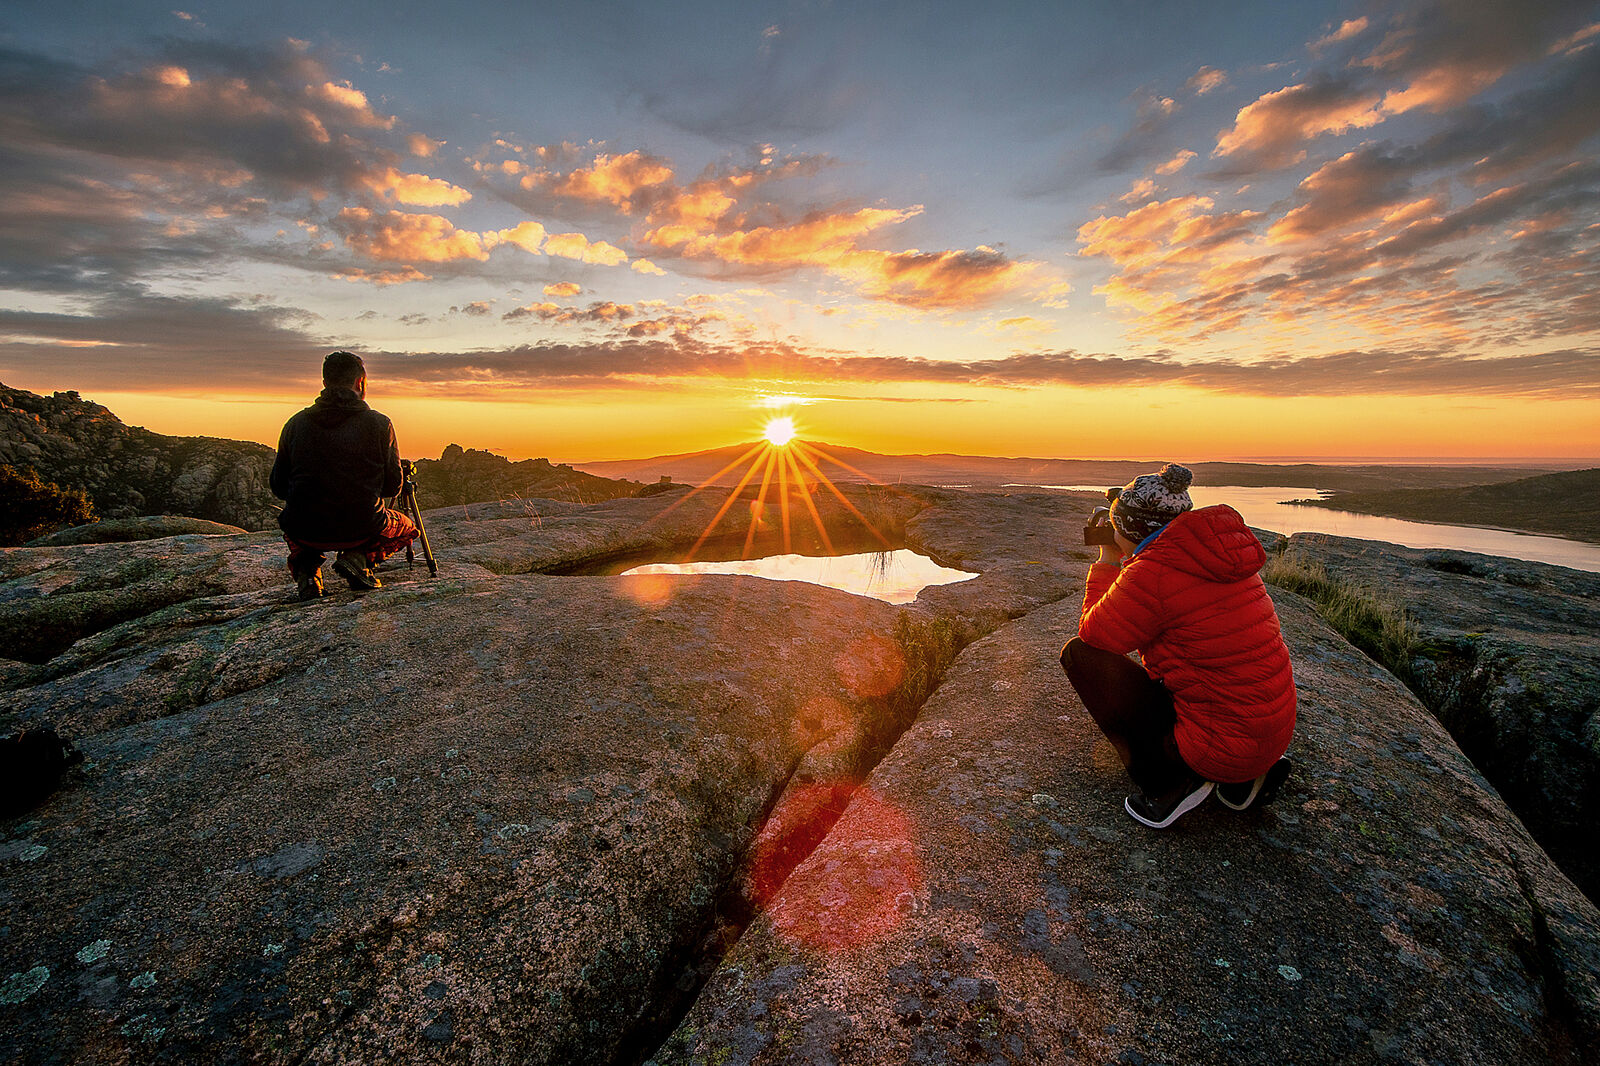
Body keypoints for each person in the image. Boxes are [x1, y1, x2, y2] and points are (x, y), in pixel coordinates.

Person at [1060, 463, 1295, 829]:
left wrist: (1108, 561)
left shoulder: (1153, 572)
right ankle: (1246, 778)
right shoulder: (1217, 556)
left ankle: (1173, 779)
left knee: (1079, 655)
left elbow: (1096, 636)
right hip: (1268, 737)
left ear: (1131, 530)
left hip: (1217, 747)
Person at [271, 351, 417, 600]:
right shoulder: (380, 424)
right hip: (361, 527)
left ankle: (308, 572)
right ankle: (358, 560)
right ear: (361, 383)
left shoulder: (295, 424)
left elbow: (278, 486)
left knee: (293, 519)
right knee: (407, 528)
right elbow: (393, 487)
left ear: (325, 383)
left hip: (303, 529)